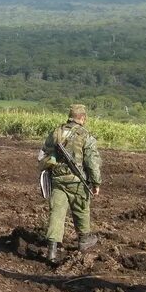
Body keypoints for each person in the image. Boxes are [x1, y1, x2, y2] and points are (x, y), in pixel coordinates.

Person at [37, 103, 102, 264]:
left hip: (57, 178)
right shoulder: (85, 136)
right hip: (77, 180)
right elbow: (92, 161)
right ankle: (84, 240)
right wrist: (96, 182)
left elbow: (43, 152)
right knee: (81, 209)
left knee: (56, 213)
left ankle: (51, 251)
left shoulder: (56, 132)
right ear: (82, 118)